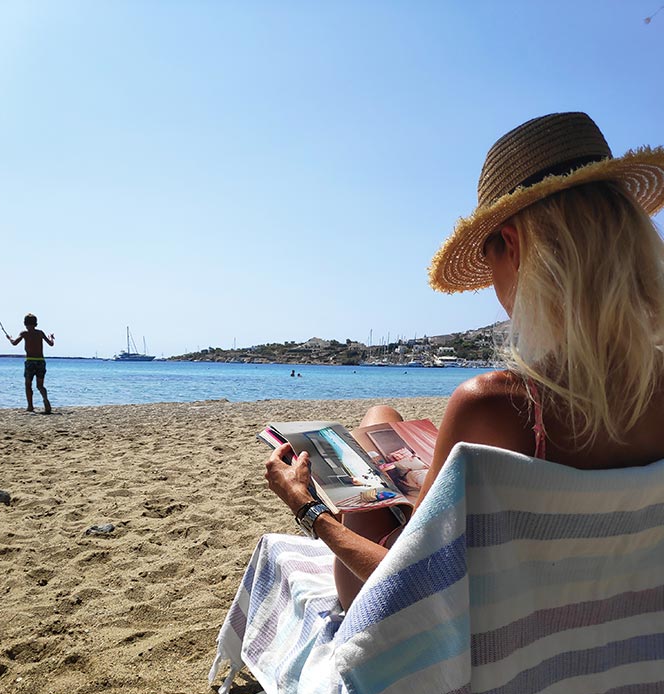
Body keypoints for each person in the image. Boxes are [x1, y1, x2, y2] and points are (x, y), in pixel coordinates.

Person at [264, 111, 664, 608]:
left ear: (513, 247)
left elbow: (404, 590)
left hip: (479, 625)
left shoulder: (495, 405)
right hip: (614, 620)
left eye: (491, 261)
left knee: (375, 427)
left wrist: (305, 507)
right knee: (385, 420)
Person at [7, 313, 55, 413]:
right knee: (40, 386)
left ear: (25, 323)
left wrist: (10, 338)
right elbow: (51, 344)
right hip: (41, 361)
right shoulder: (40, 333)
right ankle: (45, 400)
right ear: (36, 323)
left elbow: (14, 343)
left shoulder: (24, 333)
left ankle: (30, 406)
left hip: (30, 361)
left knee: (28, 385)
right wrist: (51, 337)